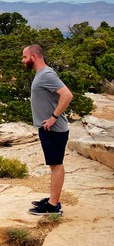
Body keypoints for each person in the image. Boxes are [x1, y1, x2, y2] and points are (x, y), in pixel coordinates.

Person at [21, 45, 73, 215]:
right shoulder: (42, 74)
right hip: (48, 128)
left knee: (56, 165)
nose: (23, 61)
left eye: (24, 57)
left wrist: (53, 117)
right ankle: (52, 200)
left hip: (54, 128)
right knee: (54, 165)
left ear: (34, 56)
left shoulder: (46, 74)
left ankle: (53, 207)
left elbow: (67, 95)